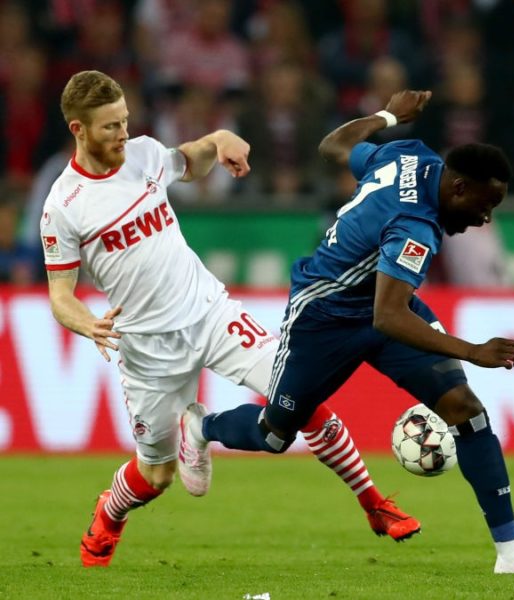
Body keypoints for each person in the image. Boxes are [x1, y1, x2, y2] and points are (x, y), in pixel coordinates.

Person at [186, 90, 514, 574]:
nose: (486, 218)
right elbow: (389, 318)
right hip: (323, 316)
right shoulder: (416, 224)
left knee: (466, 410)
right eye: (486, 204)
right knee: (274, 435)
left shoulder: (410, 155)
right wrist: (472, 350)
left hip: (379, 298)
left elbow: (334, 144)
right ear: (458, 188)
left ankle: (512, 556)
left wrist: (389, 116)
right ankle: (201, 427)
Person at [40, 70, 420, 568]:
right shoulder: (63, 207)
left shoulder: (145, 154)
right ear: (79, 130)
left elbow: (188, 161)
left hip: (210, 312)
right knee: (156, 477)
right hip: (147, 348)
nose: (123, 134)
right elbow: (59, 295)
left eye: (125, 121)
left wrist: (218, 141)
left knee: (299, 395)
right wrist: (86, 323)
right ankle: (109, 516)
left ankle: (374, 504)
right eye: (110, 127)